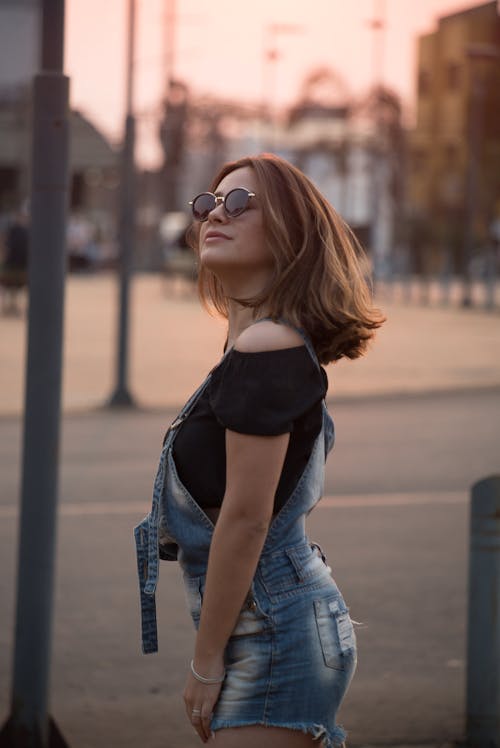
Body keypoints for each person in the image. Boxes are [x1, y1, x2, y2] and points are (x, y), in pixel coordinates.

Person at [134, 154, 385, 747]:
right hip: (275, 620)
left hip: (271, 630)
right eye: (208, 203)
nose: (215, 213)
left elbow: (246, 519)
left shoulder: (268, 347)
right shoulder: (261, 340)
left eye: (240, 203)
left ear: (290, 231)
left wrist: (204, 663)